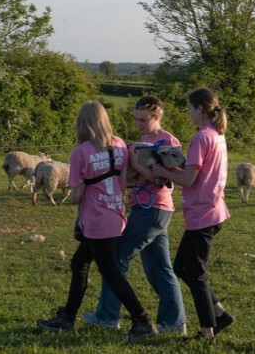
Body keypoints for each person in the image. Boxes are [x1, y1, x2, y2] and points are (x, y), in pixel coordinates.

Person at [36, 101, 158, 341]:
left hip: (95, 219)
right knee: (79, 263)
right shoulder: (120, 144)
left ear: (82, 123)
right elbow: (123, 182)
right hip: (114, 214)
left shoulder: (81, 152)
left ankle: (142, 320)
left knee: (110, 272)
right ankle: (67, 317)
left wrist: (85, 188)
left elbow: (77, 196)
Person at [82, 95, 187, 334]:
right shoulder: (142, 140)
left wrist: (135, 163)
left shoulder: (167, 141)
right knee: (160, 269)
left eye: (143, 119)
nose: (139, 124)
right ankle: (174, 323)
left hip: (153, 209)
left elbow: (163, 180)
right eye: (136, 119)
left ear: (157, 117)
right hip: (148, 209)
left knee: (117, 258)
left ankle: (107, 317)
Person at [152, 88, 234, 342]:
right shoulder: (216, 135)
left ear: (200, 109)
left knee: (195, 273)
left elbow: (188, 179)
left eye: (189, 108)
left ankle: (208, 331)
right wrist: (173, 165)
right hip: (212, 210)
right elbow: (196, 172)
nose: (187, 113)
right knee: (183, 267)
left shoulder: (201, 138)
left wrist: (161, 171)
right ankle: (219, 314)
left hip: (203, 214)